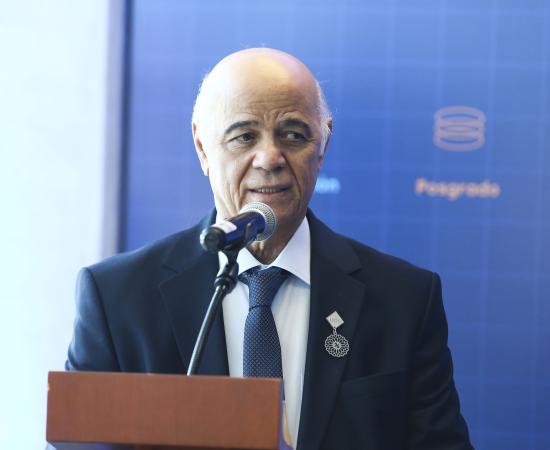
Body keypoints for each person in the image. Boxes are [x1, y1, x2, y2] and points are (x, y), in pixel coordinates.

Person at [66, 48, 473, 450]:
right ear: (202, 147)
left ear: (323, 143)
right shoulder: (117, 299)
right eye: (244, 137)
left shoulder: (404, 300)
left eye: (293, 135)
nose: (270, 158)